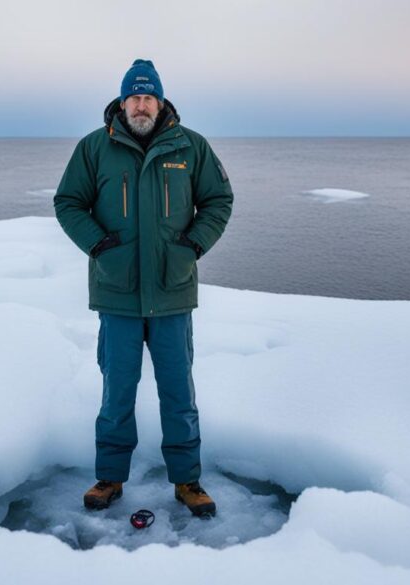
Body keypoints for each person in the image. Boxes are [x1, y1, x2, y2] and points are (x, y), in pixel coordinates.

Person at [53, 59, 234, 517]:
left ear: (160, 101)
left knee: (179, 391)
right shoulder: (95, 148)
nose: (140, 104)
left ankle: (188, 481)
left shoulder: (191, 147)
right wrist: (100, 247)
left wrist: (191, 246)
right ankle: (110, 477)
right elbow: (68, 202)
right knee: (117, 391)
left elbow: (218, 200)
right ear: (121, 101)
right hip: (117, 293)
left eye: (148, 96)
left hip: (172, 291)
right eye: (133, 96)